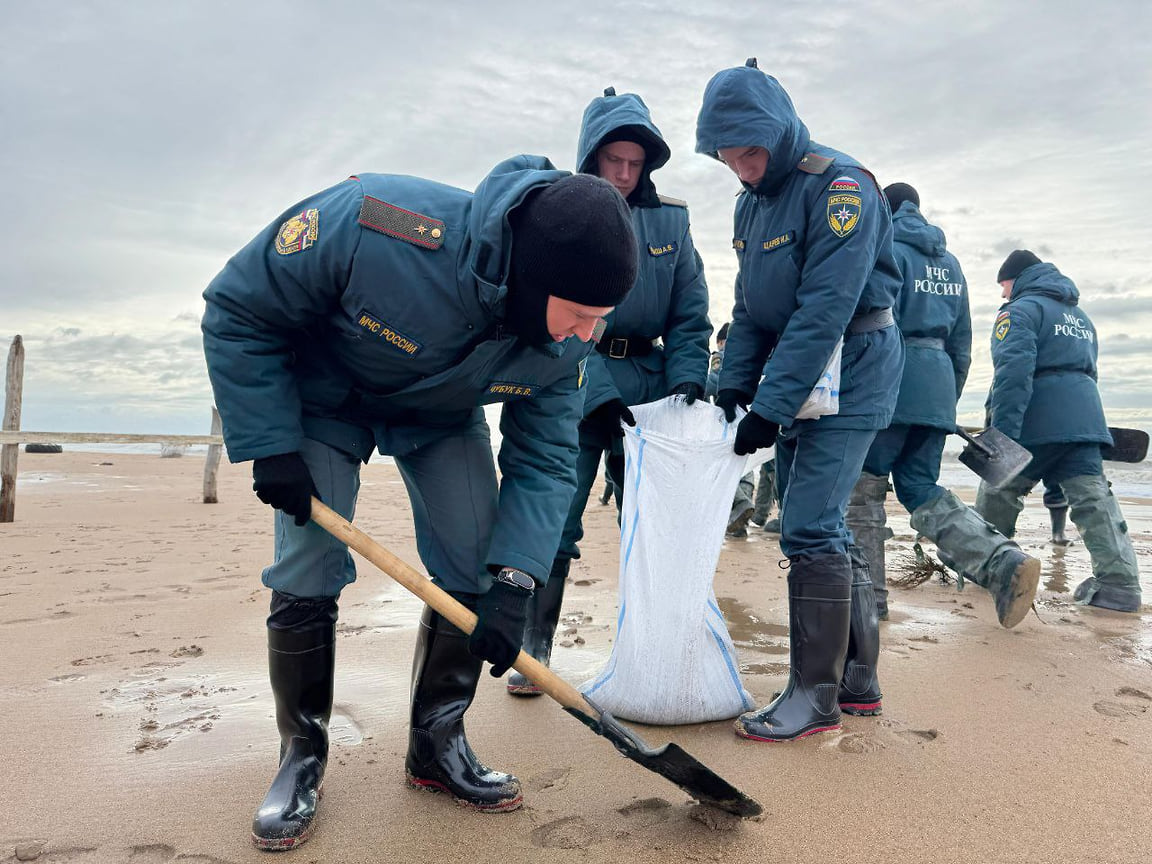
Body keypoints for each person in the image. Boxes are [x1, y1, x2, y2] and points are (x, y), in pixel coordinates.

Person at [201, 157, 638, 848]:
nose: (588, 333)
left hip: (439, 417)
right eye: (580, 315)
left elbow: (546, 458)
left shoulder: (564, 350)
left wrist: (516, 582)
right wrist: (269, 443)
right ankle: (301, 755)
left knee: (473, 566)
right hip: (322, 402)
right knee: (309, 564)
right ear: (533, 276)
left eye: (602, 319)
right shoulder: (378, 223)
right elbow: (238, 306)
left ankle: (437, 745)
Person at [695, 58, 903, 741]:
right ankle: (858, 678)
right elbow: (752, 308)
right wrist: (733, 389)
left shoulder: (841, 187)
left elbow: (825, 308)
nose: (742, 169)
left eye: (750, 153)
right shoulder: (750, 204)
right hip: (802, 365)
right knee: (823, 524)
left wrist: (770, 408)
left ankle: (813, 699)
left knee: (808, 523)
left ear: (779, 133)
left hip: (856, 362)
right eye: (728, 159)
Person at [507, 87, 711, 696]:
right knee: (556, 521)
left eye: (634, 163)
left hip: (651, 395)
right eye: (612, 161)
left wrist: (686, 382)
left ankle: (649, 644)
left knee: (648, 525)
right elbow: (553, 317)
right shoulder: (560, 212)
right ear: (590, 157)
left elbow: (692, 312)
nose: (624, 175)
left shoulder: (672, 220)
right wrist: (600, 394)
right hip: (571, 384)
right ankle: (534, 651)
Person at [846, 183, 1040, 626]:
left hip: (888, 376)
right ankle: (1002, 561)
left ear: (884, 208)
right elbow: (963, 344)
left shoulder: (884, 244)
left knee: (864, 489)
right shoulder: (950, 264)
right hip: (935, 386)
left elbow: (866, 315)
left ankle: (868, 602)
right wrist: (942, 403)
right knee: (921, 489)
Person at [977, 250, 1141, 612]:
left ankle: (989, 566)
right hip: (1084, 423)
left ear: (1015, 279)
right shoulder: (1080, 317)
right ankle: (1120, 586)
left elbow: (1013, 374)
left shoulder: (1019, 311)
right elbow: (1089, 372)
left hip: (1038, 420)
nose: (1002, 294)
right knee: (1094, 500)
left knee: (998, 490)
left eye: (1003, 285)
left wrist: (1001, 435)